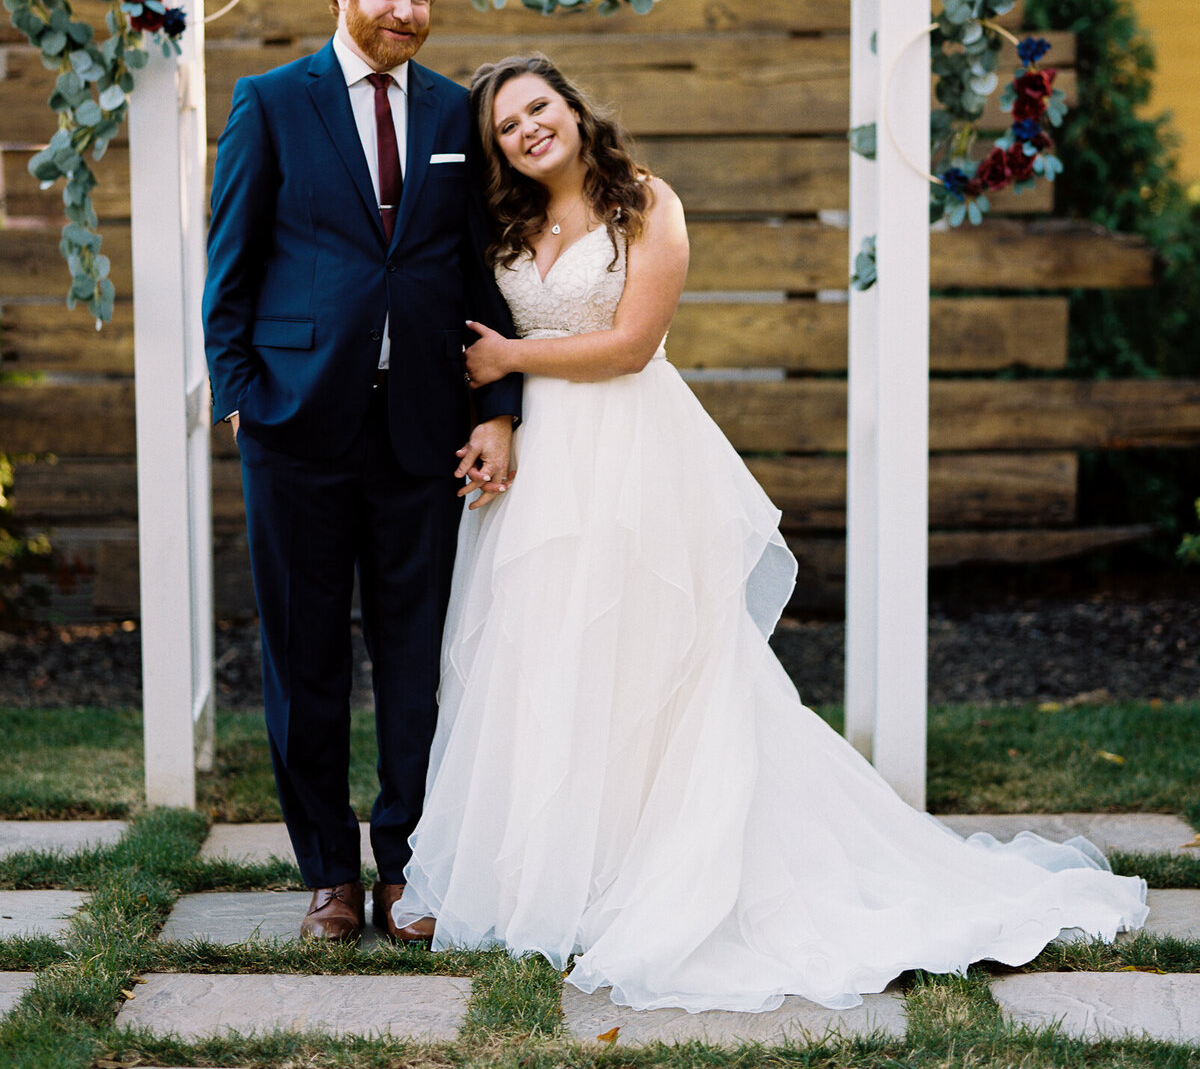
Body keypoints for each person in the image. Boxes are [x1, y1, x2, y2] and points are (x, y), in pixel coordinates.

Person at [393, 51, 1147, 1013]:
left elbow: (631, 345)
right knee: (541, 661)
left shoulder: (645, 203)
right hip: (540, 472)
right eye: (505, 124)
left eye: (538, 108)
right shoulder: (503, 219)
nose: (526, 130)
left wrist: (510, 353)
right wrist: (496, 404)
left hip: (628, 457)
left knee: (646, 663)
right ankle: (551, 878)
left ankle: (659, 870)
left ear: (574, 109)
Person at [201, 0, 521, 945]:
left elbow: (481, 274)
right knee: (305, 657)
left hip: (420, 430)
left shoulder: (453, 112)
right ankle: (329, 874)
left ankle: (408, 867)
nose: (407, 14)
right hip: (294, 424)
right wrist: (242, 390)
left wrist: (496, 408)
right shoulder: (270, 103)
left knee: (416, 656)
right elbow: (228, 270)